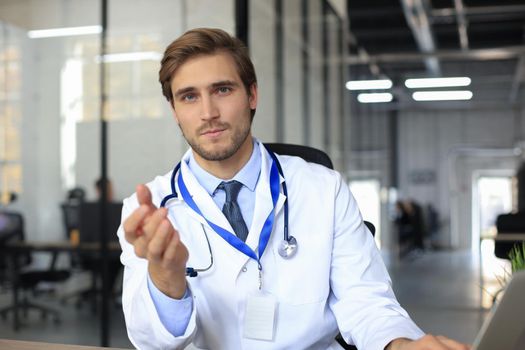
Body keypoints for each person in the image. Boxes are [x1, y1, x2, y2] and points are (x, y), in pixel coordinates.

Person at [118, 28, 470, 350]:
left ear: (252, 95)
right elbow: (152, 342)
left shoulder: (323, 188)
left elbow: (365, 297)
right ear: (175, 110)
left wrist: (399, 344)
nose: (208, 112)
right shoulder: (148, 211)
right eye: (189, 97)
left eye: (222, 89)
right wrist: (166, 278)